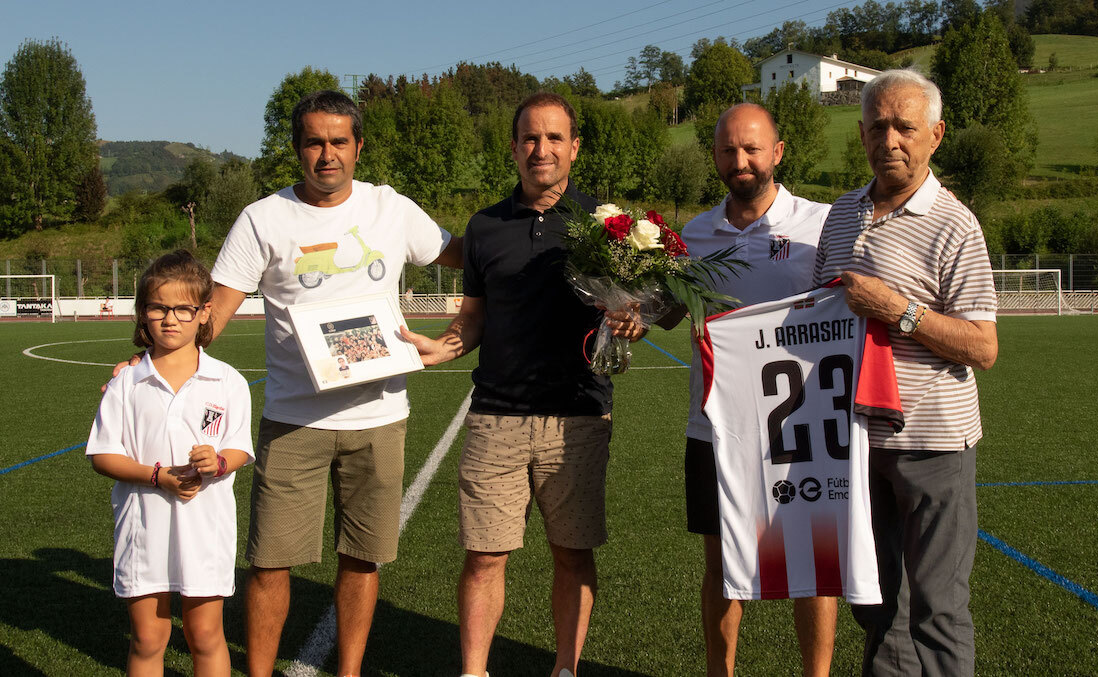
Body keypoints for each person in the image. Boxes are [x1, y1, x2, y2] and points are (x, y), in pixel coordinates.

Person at [114, 90, 461, 677]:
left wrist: (457, 338)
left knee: (362, 559)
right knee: (270, 564)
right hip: (294, 418)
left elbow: (472, 261)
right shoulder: (263, 217)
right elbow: (212, 317)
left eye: (339, 142)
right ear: (297, 148)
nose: (327, 154)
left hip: (379, 418)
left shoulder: (392, 208)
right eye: (314, 142)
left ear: (358, 147)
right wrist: (145, 359)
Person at [400, 92, 644, 677]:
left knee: (572, 554)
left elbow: (636, 305)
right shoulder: (484, 227)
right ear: (513, 147)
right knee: (484, 557)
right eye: (530, 139)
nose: (542, 150)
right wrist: (443, 346)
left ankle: (565, 668)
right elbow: (474, 317)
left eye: (554, 138)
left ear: (575, 148)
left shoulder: (607, 226)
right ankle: (474, 671)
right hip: (495, 416)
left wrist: (634, 313)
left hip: (578, 418)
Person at [813, 69, 998, 676]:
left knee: (938, 610)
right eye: (877, 126)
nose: (889, 139)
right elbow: (817, 320)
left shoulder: (955, 223)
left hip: (933, 445)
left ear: (936, 135)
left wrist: (901, 311)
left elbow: (983, 347)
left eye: (904, 127)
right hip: (857, 445)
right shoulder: (840, 216)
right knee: (876, 604)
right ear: (861, 133)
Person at [660, 103, 836, 677]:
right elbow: (670, 309)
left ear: (777, 152)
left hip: (799, 427)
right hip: (715, 426)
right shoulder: (694, 233)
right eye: (729, 149)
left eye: (753, 148)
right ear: (714, 156)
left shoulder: (820, 224)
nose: (741, 160)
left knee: (812, 565)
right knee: (721, 564)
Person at [88, 249, 254, 676]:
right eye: (159, 307)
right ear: (143, 313)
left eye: (183, 309)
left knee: (205, 637)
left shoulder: (228, 380)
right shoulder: (127, 381)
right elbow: (103, 455)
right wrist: (156, 476)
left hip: (205, 528)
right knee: (147, 638)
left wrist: (216, 463)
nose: (170, 319)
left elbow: (240, 449)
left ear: (204, 313)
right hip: (143, 527)